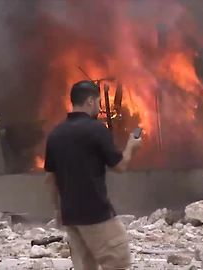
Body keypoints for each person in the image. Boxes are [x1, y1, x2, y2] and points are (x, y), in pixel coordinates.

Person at [44, 80, 142, 270]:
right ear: (90, 101)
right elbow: (120, 166)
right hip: (96, 214)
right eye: (98, 102)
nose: (99, 107)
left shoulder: (55, 135)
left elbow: (50, 179)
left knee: (86, 266)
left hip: (71, 216)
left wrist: (58, 210)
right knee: (118, 262)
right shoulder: (96, 130)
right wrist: (131, 146)